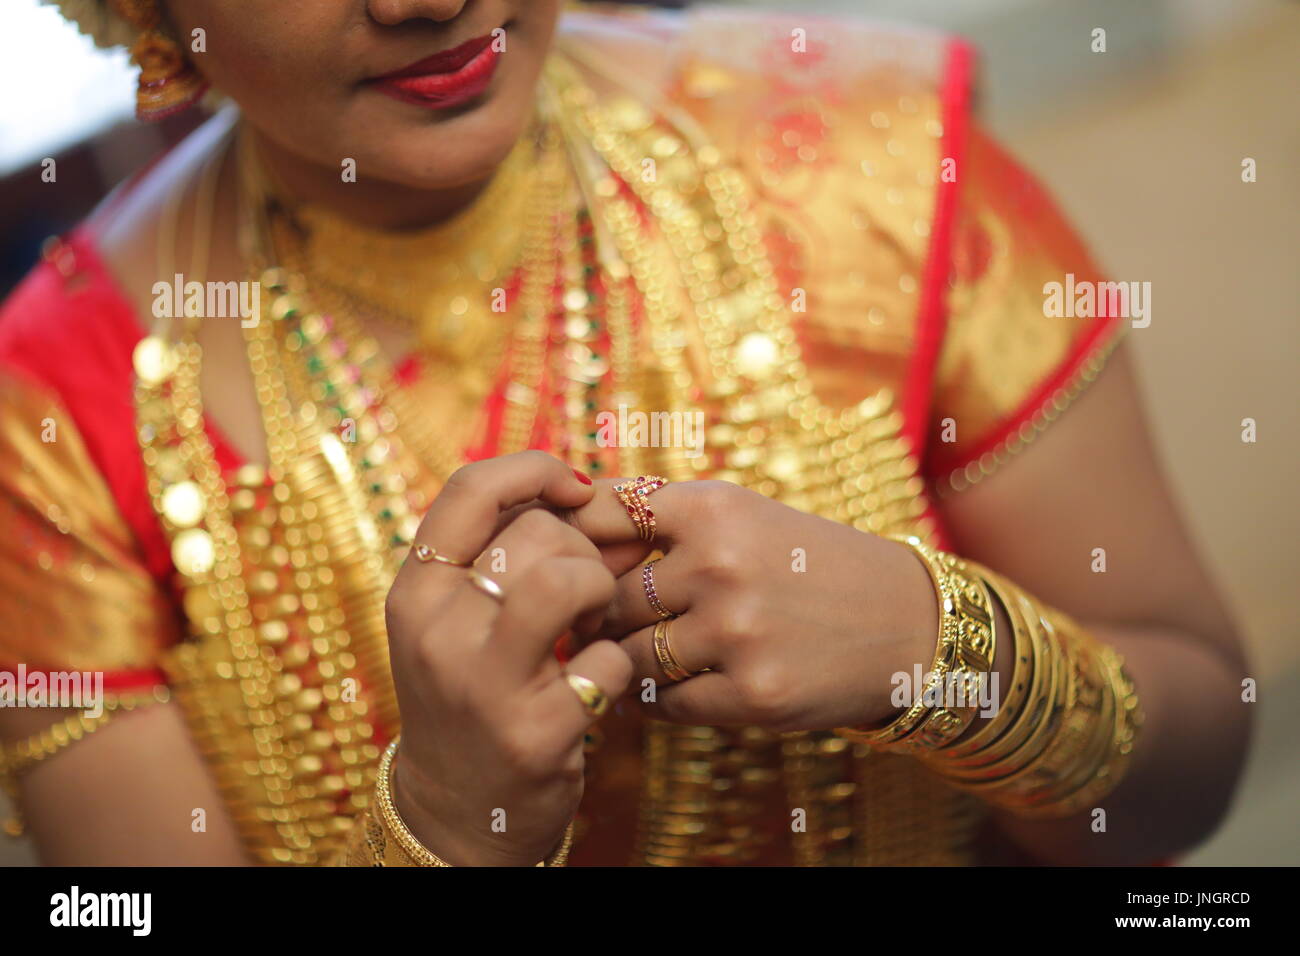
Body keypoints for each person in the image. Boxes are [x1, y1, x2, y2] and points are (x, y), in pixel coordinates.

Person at [0, 0, 1248, 867]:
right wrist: (442, 825)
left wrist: (937, 650)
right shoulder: (52, 417)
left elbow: (1194, 767)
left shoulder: (874, 169)